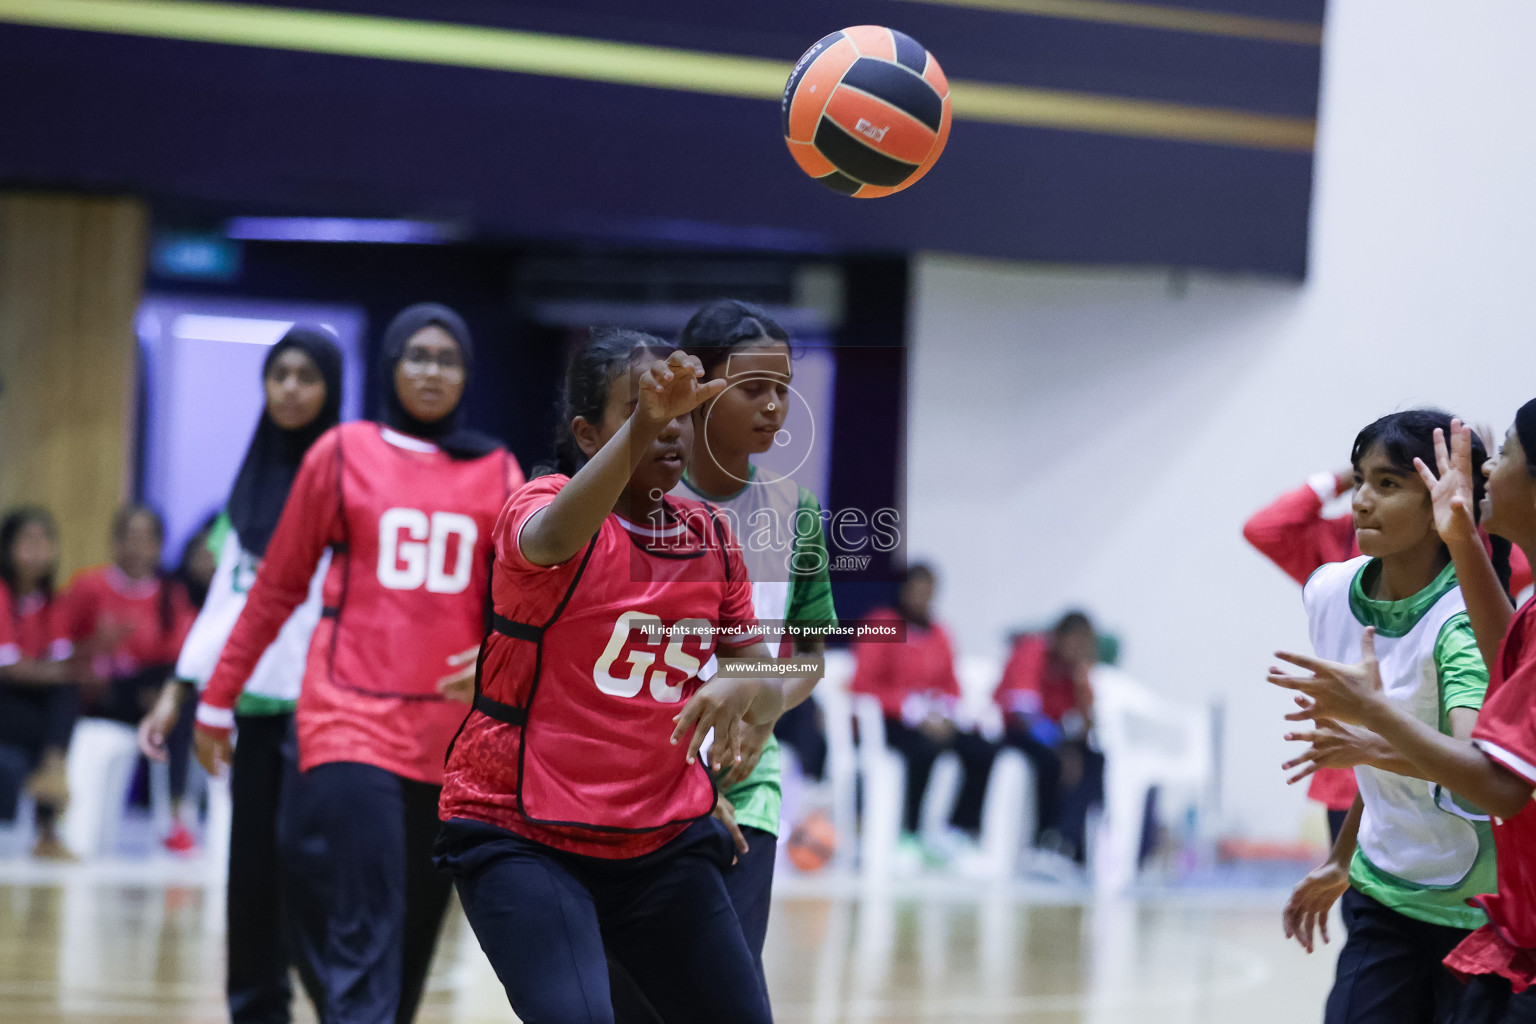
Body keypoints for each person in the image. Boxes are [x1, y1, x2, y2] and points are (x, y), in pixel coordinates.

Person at [435, 330, 780, 1024]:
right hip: (523, 833)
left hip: (660, 840)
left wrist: (742, 691)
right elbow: (555, 538)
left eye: (681, 413)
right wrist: (645, 426)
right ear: (588, 434)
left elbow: (764, 678)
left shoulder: (709, 535)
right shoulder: (538, 508)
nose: (670, 428)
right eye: (644, 411)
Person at [194, 304, 523, 1024]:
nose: (431, 371)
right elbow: (276, 586)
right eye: (417, 356)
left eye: (448, 359)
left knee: (409, 944)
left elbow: (520, 605)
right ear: (390, 366)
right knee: (363, 921)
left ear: (468, 374)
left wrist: (498, 661)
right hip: (348, 722)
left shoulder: (498, 469)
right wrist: (217, 699)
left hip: (449, 740)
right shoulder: (342, 452)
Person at [1270, 410, 1536, 1023]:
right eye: (1360, 480)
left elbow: (1482, 781)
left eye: (1387, 484)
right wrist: (1342, 856)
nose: (1362, 500)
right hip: (1385, 887)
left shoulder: (1461, 623)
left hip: (1477, 909)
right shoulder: (1332, 592)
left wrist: (1373, 731)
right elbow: (1396, 772)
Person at [138, 325, 341, 1024]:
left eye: (305, 375)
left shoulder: (349, 480)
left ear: (331, 387)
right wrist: (179, 692)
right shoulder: (245, 488)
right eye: (277, 373)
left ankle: (344, 1006)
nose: (289, 388)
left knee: (311, 870)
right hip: (250, 703)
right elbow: (227, 600)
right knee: (250, 870)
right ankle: (257, 1008)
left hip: (324, 707)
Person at [672, 298, 837, 997]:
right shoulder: (636, 501)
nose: (774, 408)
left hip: (749, 776)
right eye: (754, 390)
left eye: (783, 391)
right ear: (700, 389)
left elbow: (810, 655)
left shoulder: (796, 510)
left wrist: (768, 700)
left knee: (730, 991)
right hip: (644, 780)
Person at [65, 504, 197, 851]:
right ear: (115, 541)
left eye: (147, 540)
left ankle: (173, 814)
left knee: (177, 706)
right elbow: (63, 649)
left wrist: (160, 693)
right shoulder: (89, 587)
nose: (137, 549)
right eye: (129, 538)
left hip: (152, 692)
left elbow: (179, 658)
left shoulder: (171, 594)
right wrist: (99, 645)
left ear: (159, 545)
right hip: (102, 695)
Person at [849, 562, 996, 866]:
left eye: (928, 592)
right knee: (923, 750)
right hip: (892, 721)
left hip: (935, 719)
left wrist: (942, 711)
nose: (922, 598)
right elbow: (863, 684)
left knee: (981, 749)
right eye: (916, 590)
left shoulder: (940, 633)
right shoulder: (881, 624)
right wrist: (911, 709)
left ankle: (958, 830)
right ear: (903, 591)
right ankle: (909, 832)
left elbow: (952, 686)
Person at [993, 611, 1106, 864]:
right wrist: (1062, 748)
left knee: (1095, 761)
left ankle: (1068, 844)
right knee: (1052, 762)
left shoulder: (1075, 671)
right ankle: (1042, 839)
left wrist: (1081, 683)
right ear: (1059, 637)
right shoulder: (1032, 651)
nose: (1080, 649)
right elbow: (1024, 712)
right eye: (1076, 641)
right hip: (1018, 732)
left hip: (1056, 737)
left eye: (1085, 644)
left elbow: (1085, 725)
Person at [0, 507, 77, 859]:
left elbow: (61, 662)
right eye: (27, 541)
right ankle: (52, 772)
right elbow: (9, 668)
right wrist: (56, 672)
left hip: (31, 704)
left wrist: (59, 672)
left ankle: (51, 767)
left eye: (44, 541)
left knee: (66, 692)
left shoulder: (53, 603)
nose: (36, 550)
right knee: (62, 690)